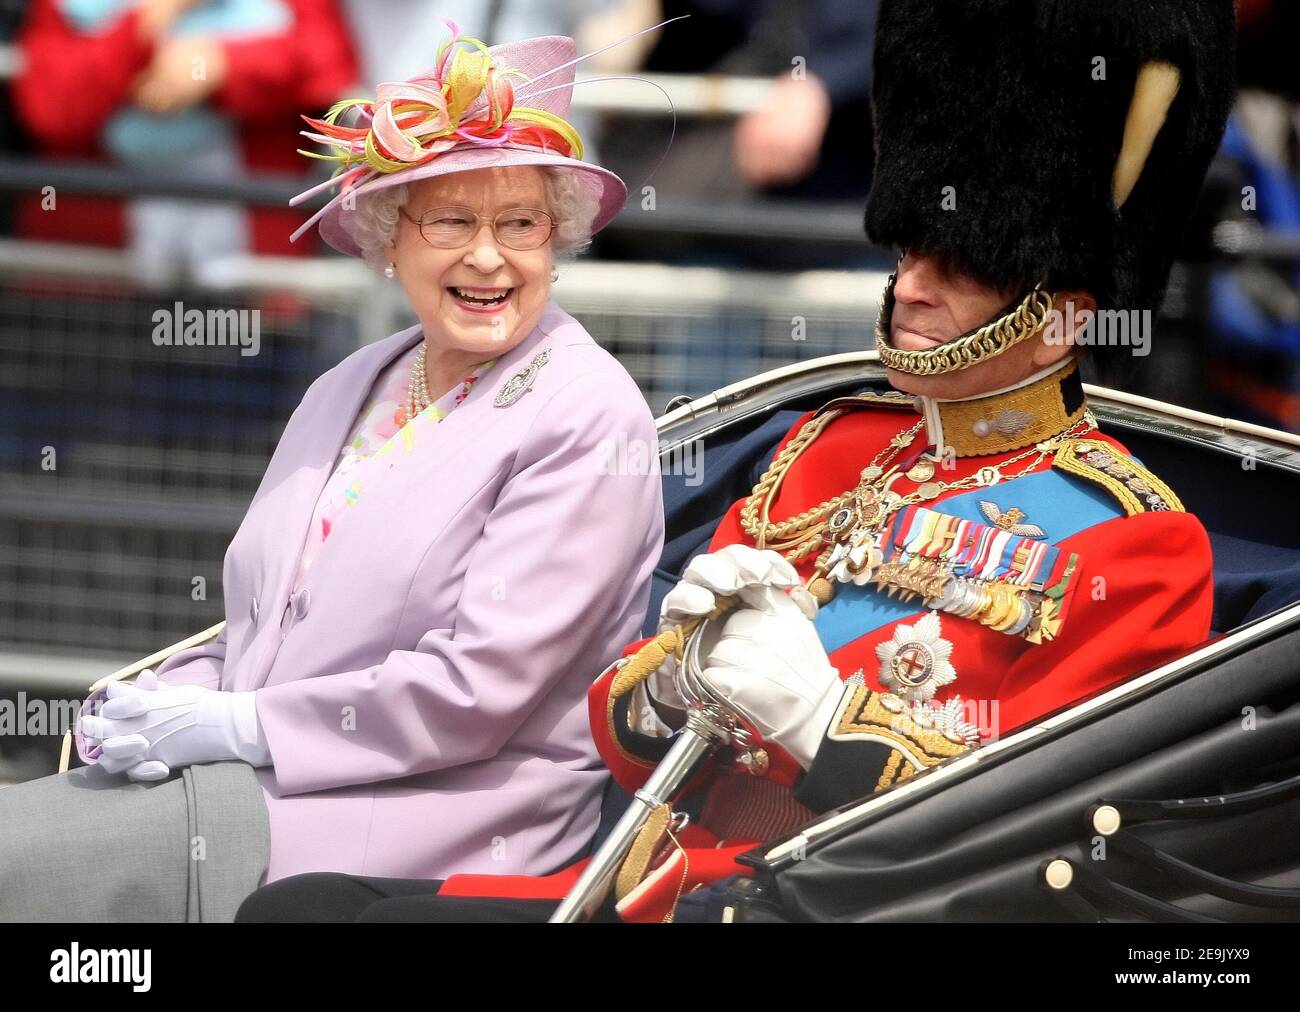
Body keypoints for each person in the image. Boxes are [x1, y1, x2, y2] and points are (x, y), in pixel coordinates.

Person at [236, 0, 1236, 923]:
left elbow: (1036, 829)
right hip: (658, 879)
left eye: (958, 263)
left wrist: (822, 724)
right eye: (906, 253)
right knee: (304, 907)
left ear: (1061, 311)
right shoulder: (825, 447)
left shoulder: (1138, 540)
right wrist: (674, 682)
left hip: (827, 905)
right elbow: (620, 726)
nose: (910, 288)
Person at [0, 29, 663, 922]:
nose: (488, 256)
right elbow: (257, 623)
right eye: (451, 222)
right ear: (390, 242)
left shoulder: (585, 410)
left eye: (520, 224)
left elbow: (475, 693)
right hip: (256, 778)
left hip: (433, 819)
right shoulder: (350, 381)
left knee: (26, 866)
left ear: (557, 242)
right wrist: (169, 699)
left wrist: (239, 727)